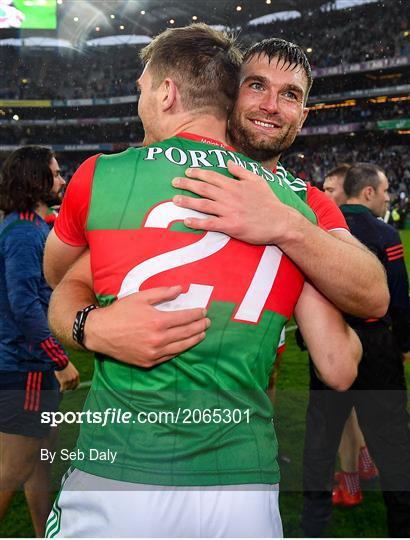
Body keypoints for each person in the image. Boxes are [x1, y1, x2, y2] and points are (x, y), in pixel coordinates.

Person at [44, 25, 361, 538]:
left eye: (143, 88)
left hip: (122, 470)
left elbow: (57, 275)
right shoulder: (291, 205)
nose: (140, 99)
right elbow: (338, 363)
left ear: (166, 92)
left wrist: (93, 325)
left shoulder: (103, 174)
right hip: (243, 484)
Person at [43, 39, 388, 369]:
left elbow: (372, 296)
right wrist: (94, 327)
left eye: (289, 95)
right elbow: (69, 284)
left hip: (248, 414)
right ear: (230, 96)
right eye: (256, 86)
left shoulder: (305, 202)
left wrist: (287, 226)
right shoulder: (173, 175)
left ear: (302, 116)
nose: (270, 104)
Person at [301, 163, 410, 538]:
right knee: (393, 447)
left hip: (327, 340)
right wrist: (405, 344)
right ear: (366, 192)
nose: (385, 199)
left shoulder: (317, 227)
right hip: (376, 346)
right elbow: (399, 298)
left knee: (319, 448)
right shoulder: (383, 232)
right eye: (382, 192)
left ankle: (314, 525)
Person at [0, 146, 79, 537]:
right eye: (54, 172)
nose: (61, 179)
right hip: (25, 367)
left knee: (38, 463)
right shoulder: (22, 232)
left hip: (27, 365)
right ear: (35, 180)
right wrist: (59, 360)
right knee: (13, 469)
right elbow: (25, 305)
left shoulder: (29, 225)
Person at [323, 163, 378, 507]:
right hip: (367, 336)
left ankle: (351, 485)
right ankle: (366, 463)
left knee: (338, 416)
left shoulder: (337, 232)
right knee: (352, 409)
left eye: (330, 190)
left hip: (341, 337)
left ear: (347, 191)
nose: (325, 195)